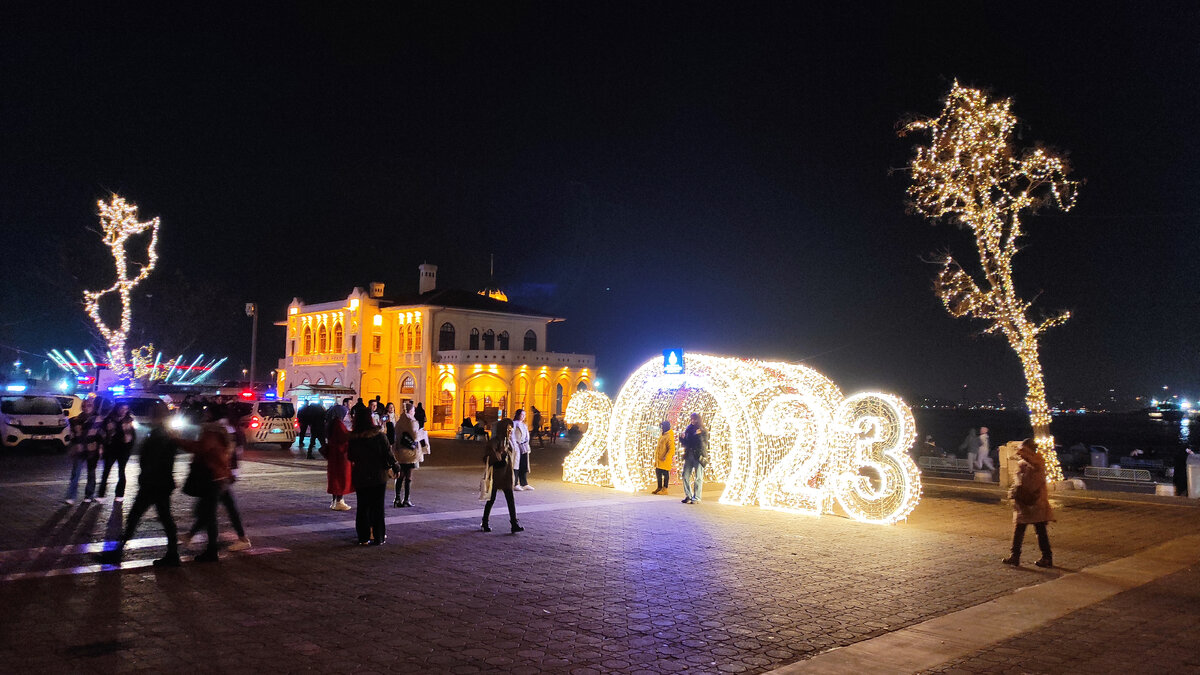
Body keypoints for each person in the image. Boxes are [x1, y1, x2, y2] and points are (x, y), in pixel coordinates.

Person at [97, 402, 181, 567]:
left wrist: (145, 477)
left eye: (151, 413)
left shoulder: (160, 434)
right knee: (161, 518)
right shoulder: (164, 433)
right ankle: (172, 554)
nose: (149, 416)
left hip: (154, 484)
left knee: (138, 516)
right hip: (159, 483)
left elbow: (154, 460)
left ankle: (118, 553)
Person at [182, 405, 251, 553]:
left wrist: (231, 472)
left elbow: (231, 452)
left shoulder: (217, 429)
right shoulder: (226, 428)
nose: (205, 413)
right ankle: (241, 538)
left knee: (208, 510)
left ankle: (206, 544)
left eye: (208, 411)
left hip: (219, 475)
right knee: (225, 507)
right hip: (224, 474)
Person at [173, 404, 235, 563]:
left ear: (212, 415)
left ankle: (212, 550)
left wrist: (177, 440)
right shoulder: (221, 430)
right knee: (206, 512)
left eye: (207, 412)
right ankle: (197, 539)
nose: (204, 414)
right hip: (219, 476)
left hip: (212, 477)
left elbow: (200, 448)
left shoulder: (211, 432)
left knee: (209, 515)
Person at [347, 408, 398, 545]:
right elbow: (388, 454)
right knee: (378, 507)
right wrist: (395, 466)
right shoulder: (379, 435)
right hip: (378, 475)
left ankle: (363, 538)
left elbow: (350, 456)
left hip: (361, 475)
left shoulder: (354, 438)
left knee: (362, 507)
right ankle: (378, 536)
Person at [1002, 438, 1054, 568]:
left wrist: (1021, 492)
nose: (1020, 452)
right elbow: (1019, 482)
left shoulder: (1036, 463)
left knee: (1037, 530)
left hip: (1034, 503)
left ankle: (1045, 558)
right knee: (1024, 530)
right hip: (1026, 503)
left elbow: (1033, 482)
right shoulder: (1024, 463)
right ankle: (1017, 556)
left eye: (1023, 450)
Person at [480, 419, 523, 533]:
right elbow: (489, 455)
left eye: (511, 429)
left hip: (507, 474)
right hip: (497, 474)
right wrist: (499, 455)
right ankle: (485, 522)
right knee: (491, 499)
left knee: (510, 498)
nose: (510, 431)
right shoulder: (496, 441)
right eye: (508, 429)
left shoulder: (508, 441)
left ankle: (514, 523)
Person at [64, 398, 103, 504]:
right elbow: (72, 435)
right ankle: (71, 496)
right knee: (75, 473)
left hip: (92, 449)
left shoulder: (98, 419)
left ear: (93, 407)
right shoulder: (76, 420)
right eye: (84, 406)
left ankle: (89, 495)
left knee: (91, 473)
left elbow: (101, 435)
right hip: (79, 448)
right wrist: (74, 445)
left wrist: (100, 447)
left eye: (89, 405)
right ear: (82, 407)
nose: (86, 408)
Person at [97, 402, 137, 502]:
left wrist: (129, 446)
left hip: (124, 449)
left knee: (121, 471)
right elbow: (102, 434)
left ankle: (119, 494)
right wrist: (102, 447)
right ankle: (101, 494)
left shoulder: (129, 420)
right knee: (106, 471)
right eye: (122, 408)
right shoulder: (109, 419)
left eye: (126, 409)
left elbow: (133, 435)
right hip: (111, 449)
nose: (124, 411)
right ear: (117, 409)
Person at [392, 401, 425, 507]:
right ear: (411, 411)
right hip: (411, 453)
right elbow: (415, 437)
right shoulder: (412, 422)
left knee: (400, 475)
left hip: (400, 451)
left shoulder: (399, 421)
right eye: (413, 411)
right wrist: (422, 433)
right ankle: (406, 499)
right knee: (409, 476)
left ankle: (397, 498)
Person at [326, 406, 353, 511]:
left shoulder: (332, 423)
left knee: (335, 478)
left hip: (335, 455)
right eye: (345, 413)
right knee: (341, 477)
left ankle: (335, 501)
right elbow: (344, 437)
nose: (346, 415)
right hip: (340, 456)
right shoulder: (338, 424)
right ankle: (339, 501)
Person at [680, 412, 707, 504]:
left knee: (698, 476)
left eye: (694, 419)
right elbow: (686, 443)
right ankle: (688, 495)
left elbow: (703, 444)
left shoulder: (702, 430)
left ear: (698, 419)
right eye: (691, 419)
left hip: (698, 455)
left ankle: (697, 497)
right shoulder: (688, 429)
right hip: (689, 455)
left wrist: (698, 435)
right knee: (685, 475)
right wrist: (682, 438)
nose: (692, 421)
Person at [511, 408, 533, 490]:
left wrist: (527, 443)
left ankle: (524, 483)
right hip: (517, 446)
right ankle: (515, 483)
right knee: (516, 465)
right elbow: (512, 435)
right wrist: (514, 444)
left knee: (524, 465)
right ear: (518, 415)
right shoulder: (514, 424)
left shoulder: (524, 425)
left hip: (524, 446)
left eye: (524, 415)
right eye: (522, 415)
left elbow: (527, 436)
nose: (523, 417)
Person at [652, 420, 675, 494]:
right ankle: (659, 487)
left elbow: (671, 449)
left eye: (662, 427)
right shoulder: (663, 435)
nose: (661, 428)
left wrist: (666, 456)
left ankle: (665, 488)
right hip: (659, 459)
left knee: (665, 473)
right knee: (658, 472)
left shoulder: (669, 436)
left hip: (665, 459)